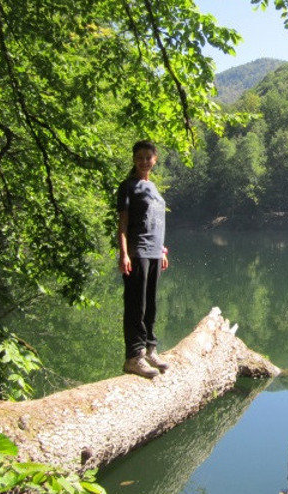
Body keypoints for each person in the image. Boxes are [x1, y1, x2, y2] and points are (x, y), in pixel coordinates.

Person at [117, 140, 170, 378]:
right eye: (139, 157)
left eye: (148, 157)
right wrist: (124, 253)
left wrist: (162, 250)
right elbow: (123, 224)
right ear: (134, 159)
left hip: (154, 252)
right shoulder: (128, 187)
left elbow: (155, 223)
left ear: (155, 159)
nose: (144, 161)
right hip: (137, 251)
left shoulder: (154, 188)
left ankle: (150, 349)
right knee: (135, 306)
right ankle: (134, 357)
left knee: (151, 305)